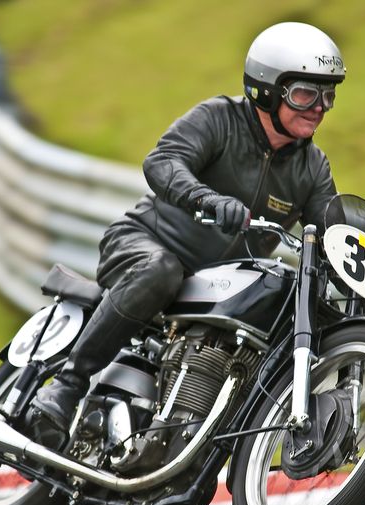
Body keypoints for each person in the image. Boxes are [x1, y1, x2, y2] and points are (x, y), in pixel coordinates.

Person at [31, 22, 347, 432]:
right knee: (160, 269)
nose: (319, 106)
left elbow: (332, 231)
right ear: (267, 90)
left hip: (217, 290)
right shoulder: (220, 119)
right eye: (306, 93)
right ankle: (67, 385)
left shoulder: (312, 167)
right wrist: (208, 199)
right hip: (144, 244)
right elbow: (162, 162)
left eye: (328, 94)